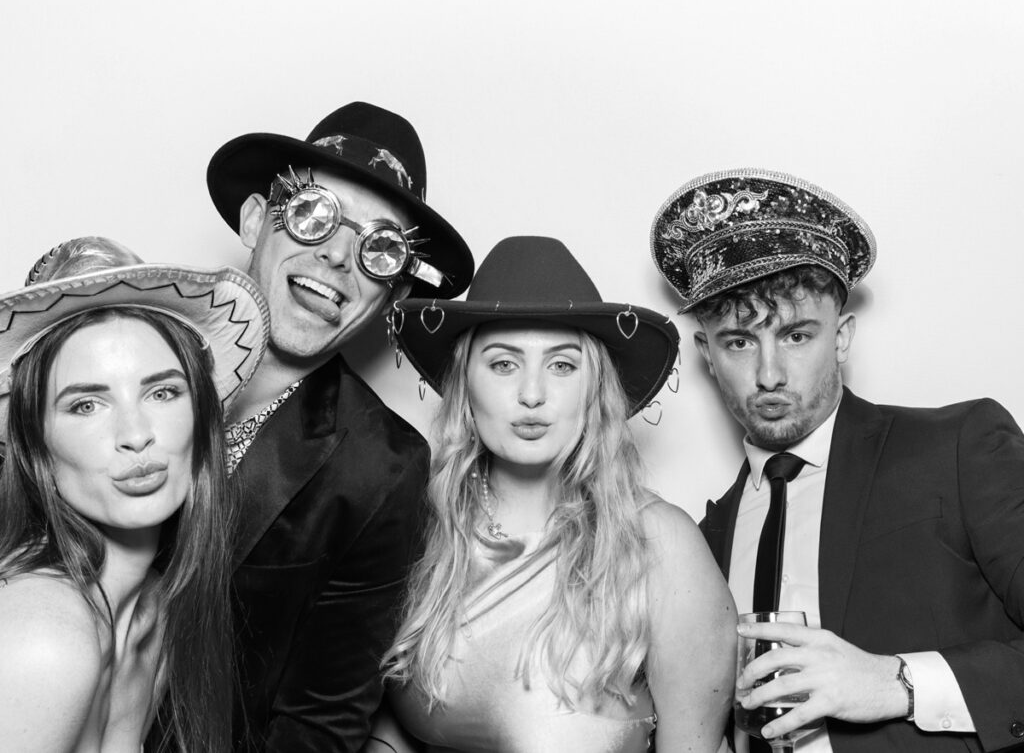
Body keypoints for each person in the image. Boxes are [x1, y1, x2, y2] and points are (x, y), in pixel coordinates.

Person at [650, 168, 1024, 753]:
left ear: (843, 337)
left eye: (797, 336)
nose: (769, 374)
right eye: (739, 342)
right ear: (706, 353)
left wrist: (898, 682)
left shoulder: (957, 449)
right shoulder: (701, 541)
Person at [371, 236, 735, 752]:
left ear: (595, 389)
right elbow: (384, 727)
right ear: (464, 385)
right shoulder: (418, 523)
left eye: (562, 365)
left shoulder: (660, 544)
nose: (533, 394)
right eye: (503, 364)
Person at [205, 101, 475, 751]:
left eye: (379, 249)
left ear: (396, 292)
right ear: (253, 221)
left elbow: (319, 725)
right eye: (313, 214)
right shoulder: (117, 356)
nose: (335, 256)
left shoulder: (383, 467)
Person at [0, 236, 269, 752]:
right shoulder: (41, 638)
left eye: (162, 391)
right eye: (86, 405)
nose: (136, 432)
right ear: (36, 446)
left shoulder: (155, 615)